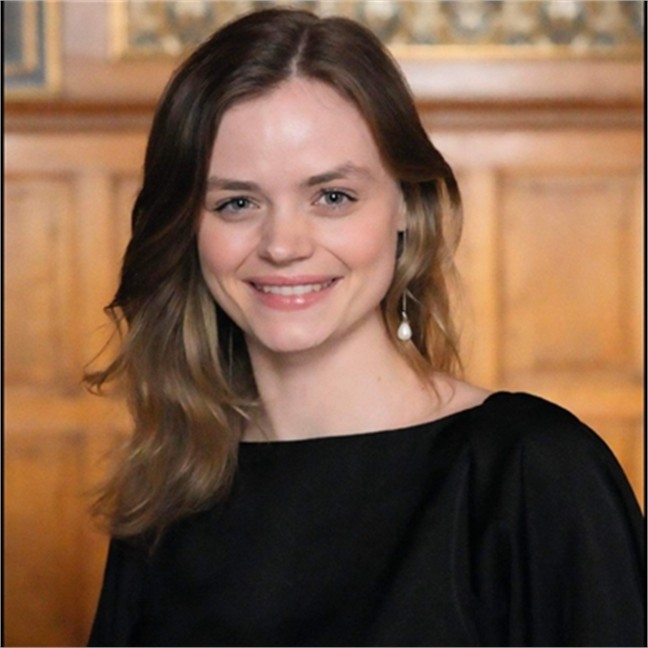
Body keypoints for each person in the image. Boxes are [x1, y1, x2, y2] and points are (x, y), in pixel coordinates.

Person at [86, 8, 644, 647]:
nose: (283, 245)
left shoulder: (532, 472)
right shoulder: (170, 491)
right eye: (237, 202)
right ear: (189, 228)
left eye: (333, 197)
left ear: (407, 204)